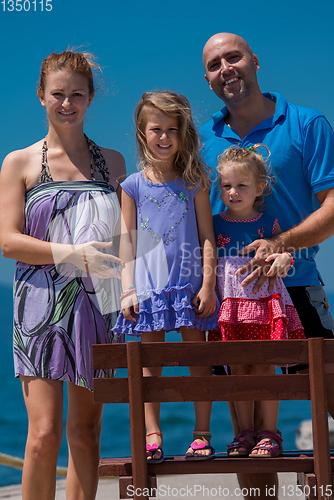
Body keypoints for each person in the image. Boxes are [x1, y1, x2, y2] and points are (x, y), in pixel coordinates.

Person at [201, 32, 334, 498]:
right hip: (233, 304)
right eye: (215, 64)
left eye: (233, 57)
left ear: (255, 61)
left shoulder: (306, 124)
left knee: (330, 394)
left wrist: (280, 243)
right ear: (208, 79)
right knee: (249, 425)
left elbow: (332, 207)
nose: (226, 68)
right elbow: (182, 219)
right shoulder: (203, 140)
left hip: (298, 287)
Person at [0, 50, 126, 500]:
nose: (67, 103)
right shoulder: (19, 162)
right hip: (37, 309)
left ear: (90, 98)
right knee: (44, 434)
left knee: (86, 434)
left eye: (77, 94)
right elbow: (8, 241)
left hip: (100, 308)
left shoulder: (113, 163)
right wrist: (72, 253)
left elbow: (126, 242)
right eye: (58, 94)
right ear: (41, 97)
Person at [113, 90, 217, 462]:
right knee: (149, 365)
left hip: (189, 288)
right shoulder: (132, 186)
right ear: (143, 133)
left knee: (197, 360)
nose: (164, 136)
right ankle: (151, 435)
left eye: (172, 129)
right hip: (148, 290)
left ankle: (202, 433)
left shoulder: (196, 182)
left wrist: (208, 284)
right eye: (156, 129)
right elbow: (126, 243)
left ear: (183, 132)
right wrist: (127, 290)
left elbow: (207, 236)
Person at [211, 144, 305, 458]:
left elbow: (285, 255)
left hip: (265, 305)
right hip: (232, 308)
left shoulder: (269, 223)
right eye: (226, 186)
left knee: (265, 366)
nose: (233, 192)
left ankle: (269, 433)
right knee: (237, 367)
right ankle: (245, 433)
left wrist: (283, 258)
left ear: (259, 188)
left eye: (242, 185)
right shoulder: (215, 223)